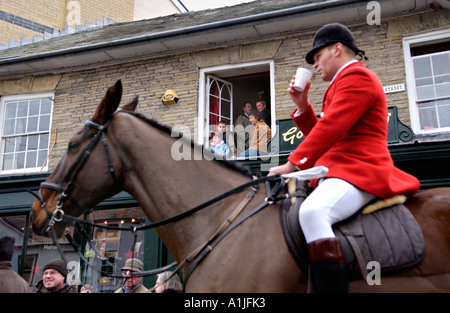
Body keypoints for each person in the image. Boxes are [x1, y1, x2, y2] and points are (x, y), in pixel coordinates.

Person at [268, 23, 420, 293]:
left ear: (337, 49)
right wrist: (302, 106)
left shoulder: (357, 77)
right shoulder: (340, 83)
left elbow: (331, 127)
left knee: (314, 212)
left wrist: (292, 164)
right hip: (339, 170)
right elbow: (327, 136)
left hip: (361, 171)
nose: (315, 65)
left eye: (317, 57)